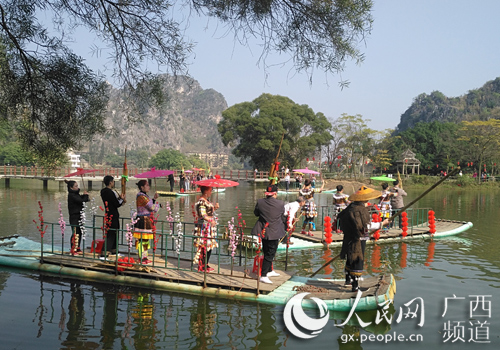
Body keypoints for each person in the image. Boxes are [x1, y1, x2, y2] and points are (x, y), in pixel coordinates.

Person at [338, 186, 390, 292]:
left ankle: (348, 281)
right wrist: (382, 224)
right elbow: (365, 226)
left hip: (349, 237)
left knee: (350, 258)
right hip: (358, 238)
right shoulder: (360, 210)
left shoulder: (351, 207)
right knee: (357, 259)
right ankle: (355, 287)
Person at [251, 184, 286, 284]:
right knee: (270, 253)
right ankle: (263, 275)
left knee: (266, 251)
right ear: (275, 193)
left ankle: (269, 271)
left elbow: (256, 213)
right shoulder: (280, 203)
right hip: (274, 231)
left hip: (263, 230)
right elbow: (282, 215)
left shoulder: (260, 202)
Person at [193, 186, 219, 272]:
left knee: (209, 246)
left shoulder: (206, 201)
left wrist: (214, 208)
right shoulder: (201, 202)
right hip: (204, 227)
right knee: (204, 245)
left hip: (209, 227)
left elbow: (208, 213)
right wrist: (211, 220)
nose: (211, 192)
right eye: (210, 190)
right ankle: (203, 265)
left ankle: (206, 264)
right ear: (205, 191)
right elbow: (203, 215)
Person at [133, 180, 160, 264]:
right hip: (142, 220)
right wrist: (158, 206)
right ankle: (141, 257)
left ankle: (144, 256)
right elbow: (151, 207)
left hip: (146, 219)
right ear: (142, 187)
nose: (148, 187)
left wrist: (154, 199)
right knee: (142, 239)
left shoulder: (144, 195)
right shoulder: (141, 196)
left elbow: (149, 204)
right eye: (147, 185)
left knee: (146, 240)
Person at [100, 175, 126, 256]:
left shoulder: (103, 191)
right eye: (113, 182)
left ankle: (113, 249)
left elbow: (112, 202)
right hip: (113, 214)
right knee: (112, 232)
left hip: (108, 213)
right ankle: (106, 250)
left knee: (111, 232)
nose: (113, 183)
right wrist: (122, 200)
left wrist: (119, 199)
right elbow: (116, 204)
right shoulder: (110, 192)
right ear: (110, 182)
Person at [65, 180, 90, 255]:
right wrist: (85, 196)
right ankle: (73, 249)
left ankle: (77, 247)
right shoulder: (71, 195)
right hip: (74, 216)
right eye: (75, 186)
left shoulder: (76, 194)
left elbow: (81, 198)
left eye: (77, 186)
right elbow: (81, 201)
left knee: (79, 232)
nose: (77, 187)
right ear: (71, 187)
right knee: (75, 232)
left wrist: (85, 196)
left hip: (79, 215)